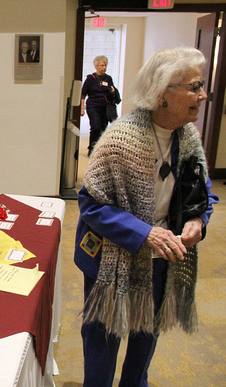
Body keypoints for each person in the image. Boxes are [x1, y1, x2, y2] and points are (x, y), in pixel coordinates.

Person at [74, 46, 219, 387]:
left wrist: (199, 221)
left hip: (163, 258)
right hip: (111, 258)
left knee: (146, 334)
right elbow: (91, 204)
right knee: (103, 340)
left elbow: (203, 194)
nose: (203, 95)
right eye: (194, 86)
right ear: (162, 94)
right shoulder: (120, 139)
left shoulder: (190, 139)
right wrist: (145, 233)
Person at [80, 55, 116, 155]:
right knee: (95, 127)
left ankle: (99, 150)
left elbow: (112, 92)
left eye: (105, 65)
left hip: (105, 108)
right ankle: (92, 148)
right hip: (93, 107)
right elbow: (83, 94)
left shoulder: (108, 78)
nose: (104, 67)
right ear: (96, 66)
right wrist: (82, 108)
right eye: (101, 65)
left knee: (103, 129)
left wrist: (113, 92)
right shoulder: (90, 79)